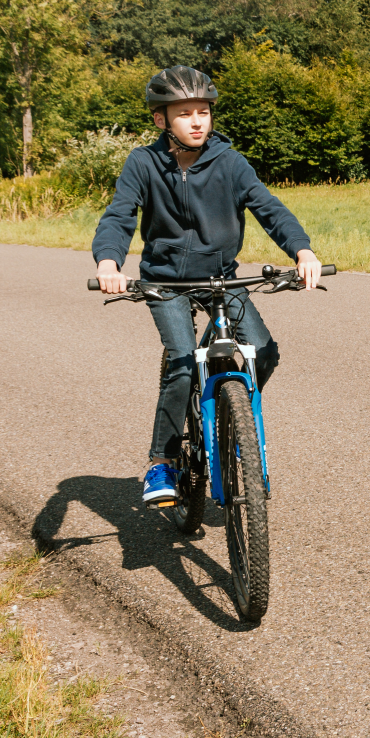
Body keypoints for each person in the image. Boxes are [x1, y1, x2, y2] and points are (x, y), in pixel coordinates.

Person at [92, 66, 321, 507]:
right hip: (164, 284)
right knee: (181, 362)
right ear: (162, 120)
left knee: (263, 351)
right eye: (184, 114)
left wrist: (302, 251)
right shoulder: (143, 163)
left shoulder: (230, 163)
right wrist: (109, 262)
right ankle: (163, 460)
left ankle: (231, 423)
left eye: (203, 112)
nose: (197, 121)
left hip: (220, 279)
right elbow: (119, 216)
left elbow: (268, 207)